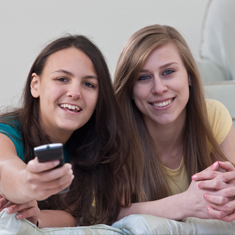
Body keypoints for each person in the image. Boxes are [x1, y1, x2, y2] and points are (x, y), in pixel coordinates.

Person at [0, 35, 130, 228]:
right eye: (62, 79)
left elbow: (72, 214)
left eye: (88, 84)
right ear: (36, 85)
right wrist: (28, 182)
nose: (75, 92)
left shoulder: (92, 148)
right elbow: (5, 167)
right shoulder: (7, 132)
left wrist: (36, 218)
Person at [113, 24, 235, 222]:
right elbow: (107, 214)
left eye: (168, 72)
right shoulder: (115, 136)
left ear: (189, 76)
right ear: (130, 90)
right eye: (143, 77)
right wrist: (184, 204)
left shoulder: (213, 116)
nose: (159, 88)